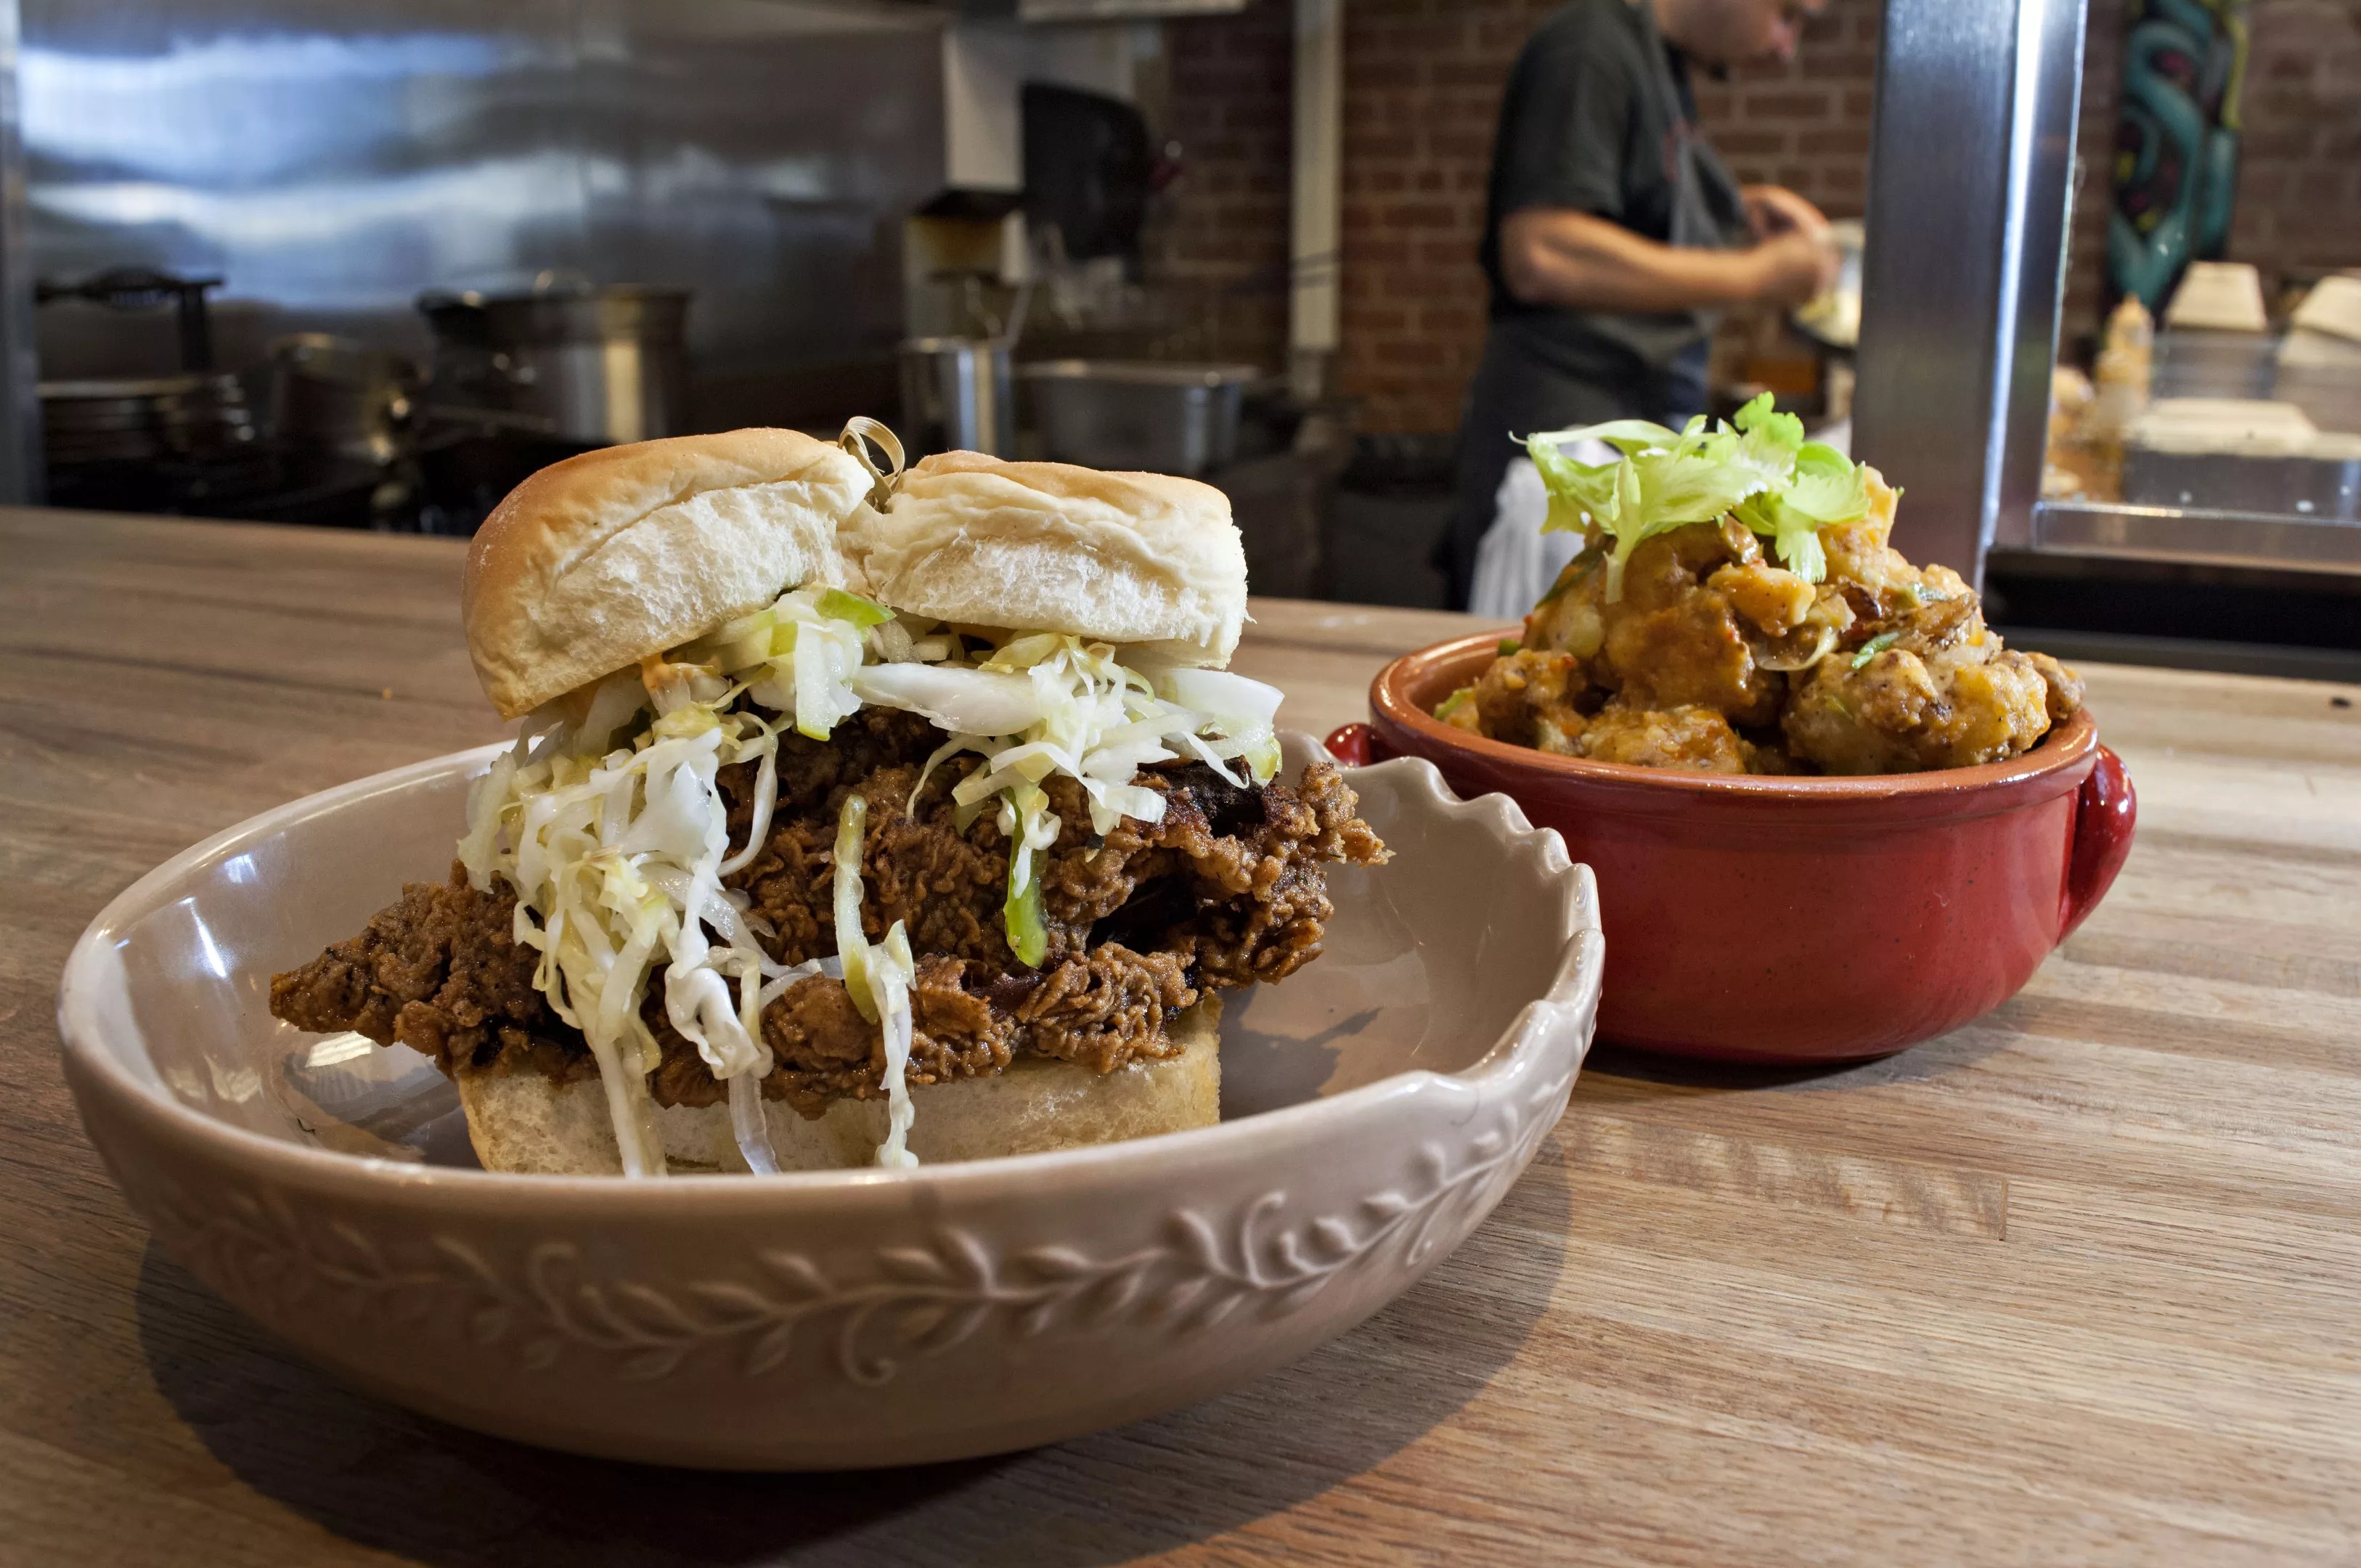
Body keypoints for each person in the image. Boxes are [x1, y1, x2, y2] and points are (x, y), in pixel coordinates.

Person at [1439, 0, 1840, 608]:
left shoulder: (1665, 69)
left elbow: (1630, 205)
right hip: (1566, 441)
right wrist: (1756, 276)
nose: (1787, 47)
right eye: (1789, 14)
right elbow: (1543, 251)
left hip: (1633, 429)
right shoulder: (1590, 51)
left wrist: (1733, 209)